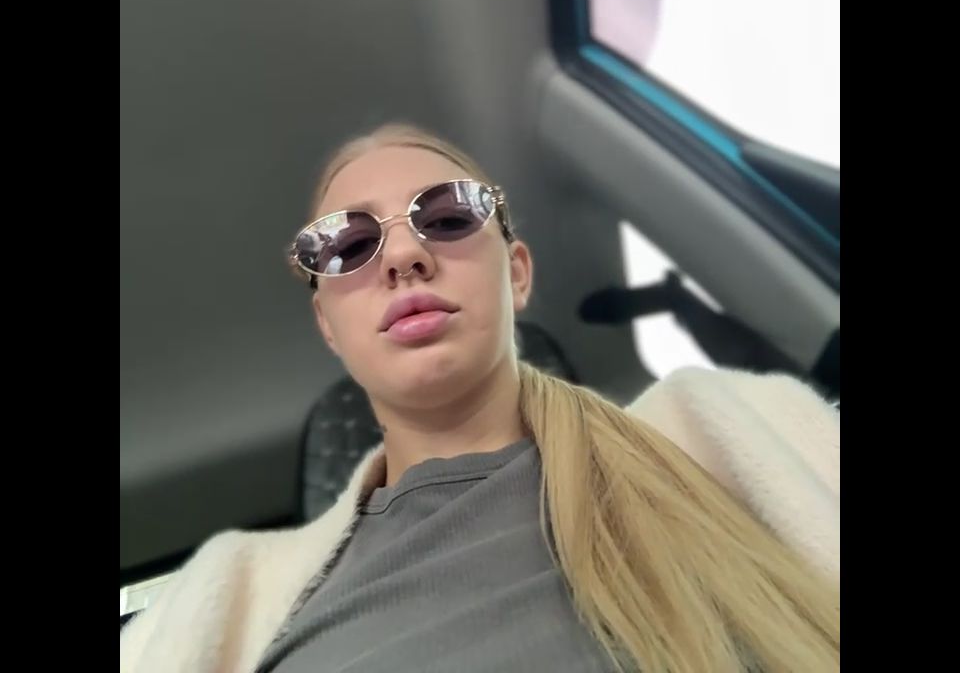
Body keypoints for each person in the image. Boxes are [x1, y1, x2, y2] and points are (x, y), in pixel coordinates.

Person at [121, 123, 840, 673]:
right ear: (327, 325)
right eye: (347, 245)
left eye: (448, 216)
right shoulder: (233, 593)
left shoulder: (719, 437)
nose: (404, 257)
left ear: (517, 273)